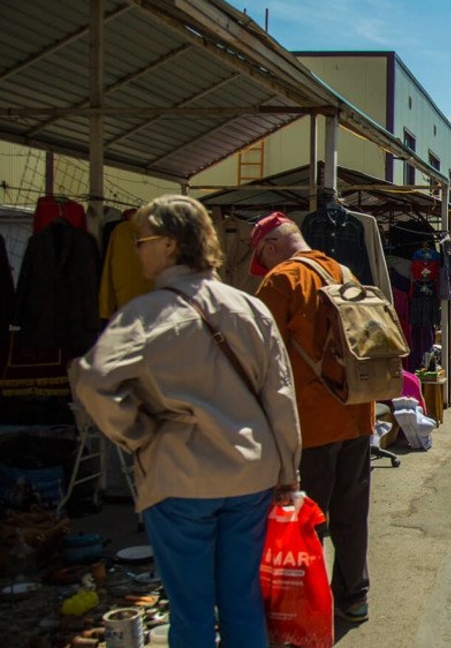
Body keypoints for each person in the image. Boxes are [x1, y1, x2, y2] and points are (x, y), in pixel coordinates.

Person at [71, 196, 301, 648]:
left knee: (191, 609)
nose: (137, 250)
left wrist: (137, 433)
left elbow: (94, 381)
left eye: (143, 241)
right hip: (250, 474)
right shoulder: (249, 308)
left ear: (170, 245)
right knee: (241, 599)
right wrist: (288, 473)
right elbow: (280, 398)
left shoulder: (145, 314)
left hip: (180, 476)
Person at [249, 212, 374, 623]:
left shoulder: (280, 281)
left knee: (306, 521)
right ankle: (354, 599)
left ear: (270, 248)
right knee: (351, 515)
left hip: (310, 423)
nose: (263, 268)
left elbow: (261, 359)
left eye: (261, 259)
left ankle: (307, 608)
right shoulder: (345, 272)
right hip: (357, 413)